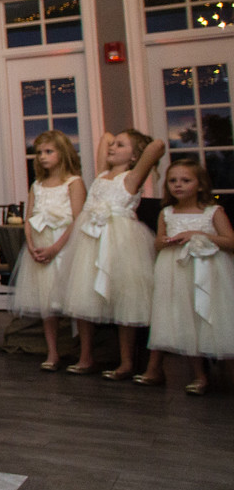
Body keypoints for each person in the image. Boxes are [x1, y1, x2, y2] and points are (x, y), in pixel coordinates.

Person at [60, 128, 166, 379]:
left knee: (125, 300)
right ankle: (86, 357)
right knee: (82, 296)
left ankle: (126, 362)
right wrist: (116, 141)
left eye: (121, 146)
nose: (112, 147)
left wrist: (137, 150)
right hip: (90, 240)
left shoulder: (132, 177)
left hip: (120, 242)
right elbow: (105, 137)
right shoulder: (101, 175)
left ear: (134, 157)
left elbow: (158, 146)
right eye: (113, 145)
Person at [138, 158, 234, 395]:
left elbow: (230, 241)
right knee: (187, 321)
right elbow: (159, 243)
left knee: (213, 319)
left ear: (200, 185)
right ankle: (199, 376)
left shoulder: (213, 212)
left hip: (208, 273)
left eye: (185, 180)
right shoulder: (167, 213)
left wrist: (197, 234)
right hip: (176, 272)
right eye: (173, 181)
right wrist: (165, 241)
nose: (178, 185)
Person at [9, 131, 86, 372]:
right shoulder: (37, 185)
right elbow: (29, 218)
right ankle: (53, 352)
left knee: (76, 301)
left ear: (63, 154)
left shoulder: (74, 182)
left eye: (49, 152)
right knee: (46, 302)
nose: (43, 157)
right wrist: (31, 244)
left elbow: (78, 219)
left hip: (66, 247)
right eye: (39, 152)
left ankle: (85, 354)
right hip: (41, 247)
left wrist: (56, 247)